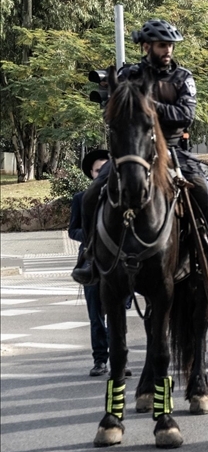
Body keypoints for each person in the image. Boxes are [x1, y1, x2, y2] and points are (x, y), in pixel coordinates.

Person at [72, 19, 208, 285]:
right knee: (91, 194)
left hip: (172, 150)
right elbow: (114, 110)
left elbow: (185, 114)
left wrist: (148, 105)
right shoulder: (128, 75)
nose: (168, 50)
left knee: (203, 189)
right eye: (162, 45)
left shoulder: (183, 78)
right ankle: (89, 255)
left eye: (170, 45)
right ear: (146, 47)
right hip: (133, 150)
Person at [70, 149, 114, 376]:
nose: (103, 173)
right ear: (91, 173)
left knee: (118, 316)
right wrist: (93, 234)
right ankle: (100, 360)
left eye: (106, 169)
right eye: (99, 170)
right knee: (96, 315)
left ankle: (119, 360)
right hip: (92, 257)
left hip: (117, 262)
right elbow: (72, 230)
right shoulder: (81, 197)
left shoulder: (120, 198)